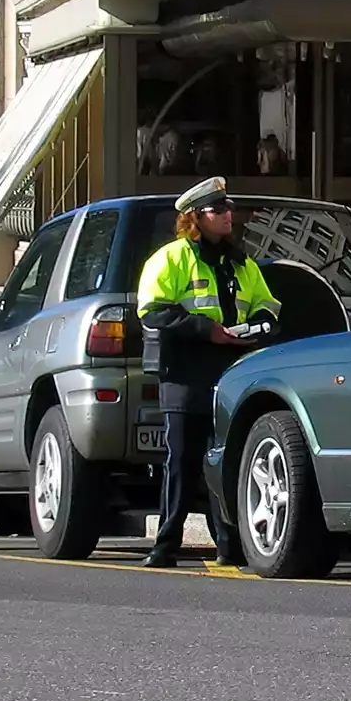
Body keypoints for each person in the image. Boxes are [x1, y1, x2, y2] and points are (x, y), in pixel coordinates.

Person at [137, 178, 281, 568]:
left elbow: (268, 305)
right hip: (186, 372)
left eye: (228, 208)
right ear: (195, 217)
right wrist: (208, 330)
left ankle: (229, 546)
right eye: (218, 210)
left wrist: (260, 325)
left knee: (224, 460)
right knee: (182, 462)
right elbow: (153, 310)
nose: (228, 215)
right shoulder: (171, 258)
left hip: (230, 371)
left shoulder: (242, 263)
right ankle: (166, 545)